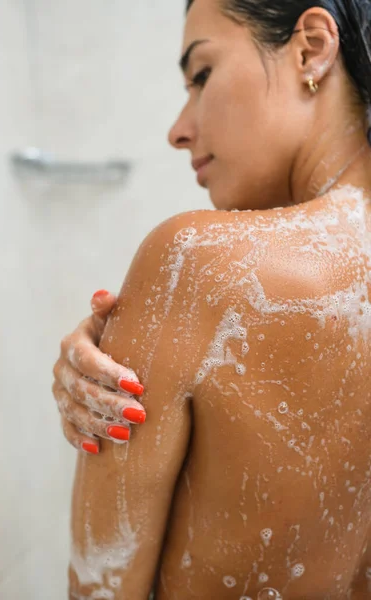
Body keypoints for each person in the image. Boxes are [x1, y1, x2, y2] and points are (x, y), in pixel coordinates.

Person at [52, 0, 371, 598]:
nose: (179, 129)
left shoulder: (193, 263)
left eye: (201, 75)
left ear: (311, 48)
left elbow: (101, 587)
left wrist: (153, 311)